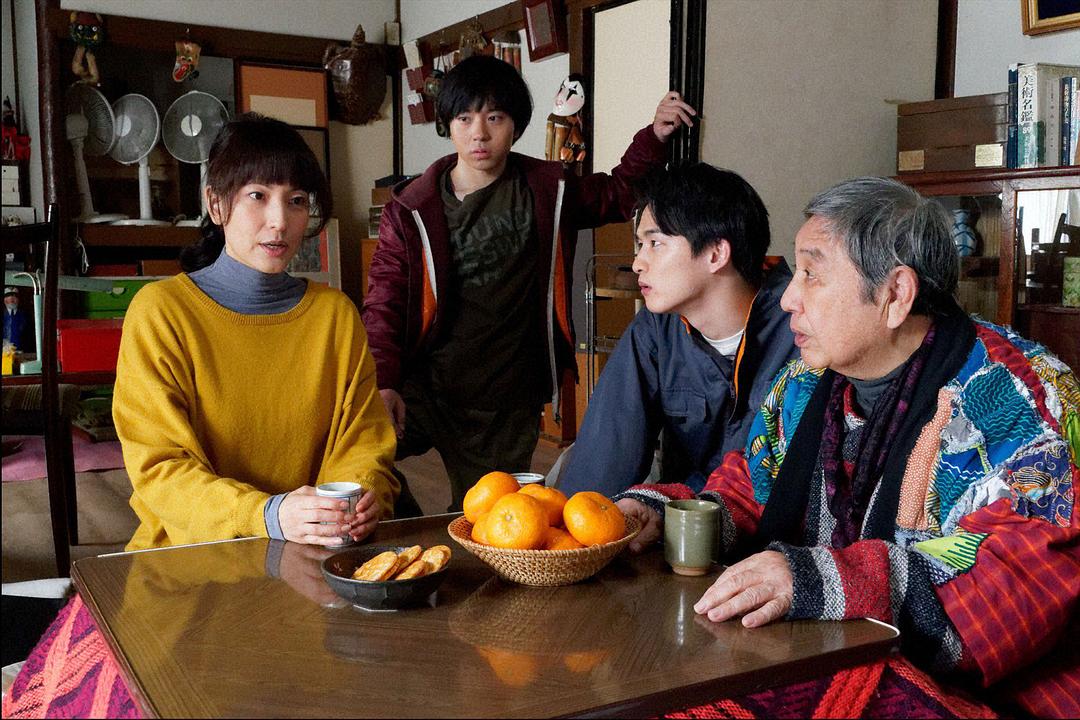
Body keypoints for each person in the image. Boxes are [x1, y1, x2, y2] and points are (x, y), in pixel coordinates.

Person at [615, 177, 1079, 717]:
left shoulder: (1019, 397)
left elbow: (1021, 582)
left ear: (895, 294)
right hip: (841, 657)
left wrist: (825, 581)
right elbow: (750, 488)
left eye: (811, 274)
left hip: (992, 697)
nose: (787, 298)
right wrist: (667, 517)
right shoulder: (807, 381)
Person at [362, 54, 695, 511]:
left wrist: (654, 136)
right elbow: (384, 302)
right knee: (357, 459)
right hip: (424, 385)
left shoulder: (545, 189)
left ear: (515, 125)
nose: (479, 133)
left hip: (504, 396)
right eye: (464, 118)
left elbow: (617, 193)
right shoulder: (412, 208)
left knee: (487, 521)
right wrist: (384, 381)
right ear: (448, 124)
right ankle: (409, 531)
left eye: (495, 118)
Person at [113, 113, 399, 551]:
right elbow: (159, 468)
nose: (279, 221)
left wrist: (361, 496)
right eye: (258, 196)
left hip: (313, 550)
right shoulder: (161, 313)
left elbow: (364, 442)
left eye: (296, 200)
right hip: (188, 556)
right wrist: (266, 514)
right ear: (215, 204)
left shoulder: (335, 316)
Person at [558, 164, 798, 497]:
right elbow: (605, 455)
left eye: (655, 243)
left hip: (771, 527)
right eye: (640, 245)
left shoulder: (802, 328)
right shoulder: (656, 330)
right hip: (678, 519)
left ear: (715, 254)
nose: (638, 263)